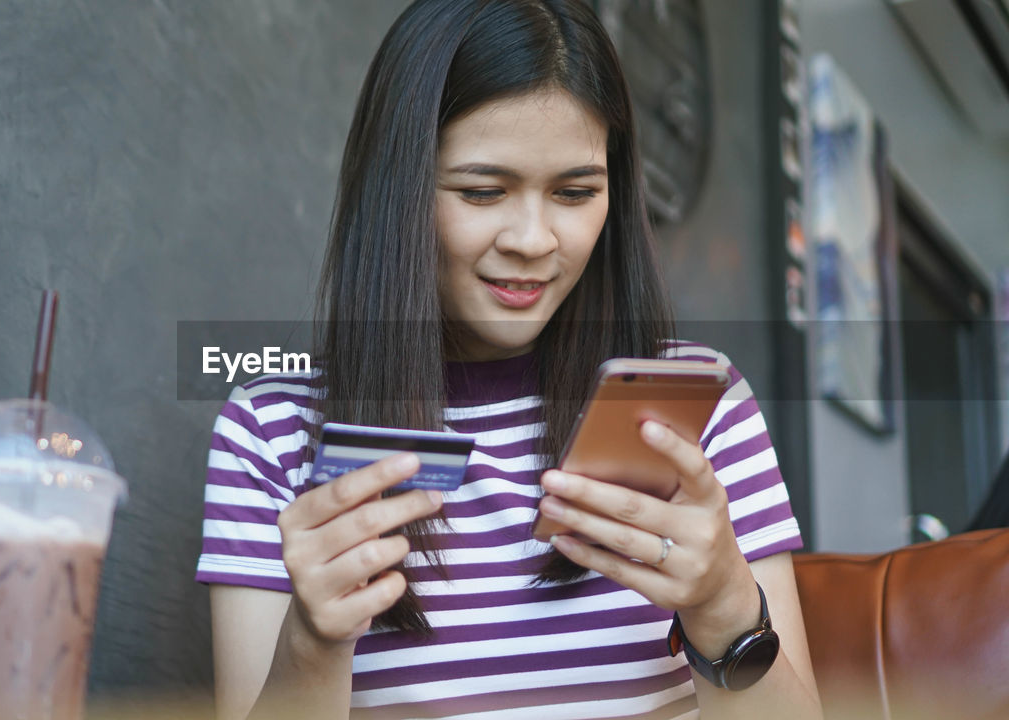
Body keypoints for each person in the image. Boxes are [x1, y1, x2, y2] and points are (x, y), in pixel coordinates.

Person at [196, 1, 822, 718]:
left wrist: (726, 609)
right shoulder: (272, 435)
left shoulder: (694, 410)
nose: (533, 238)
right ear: (398, 190)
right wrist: (312, 643)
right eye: (483, 191)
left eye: (576, 192)